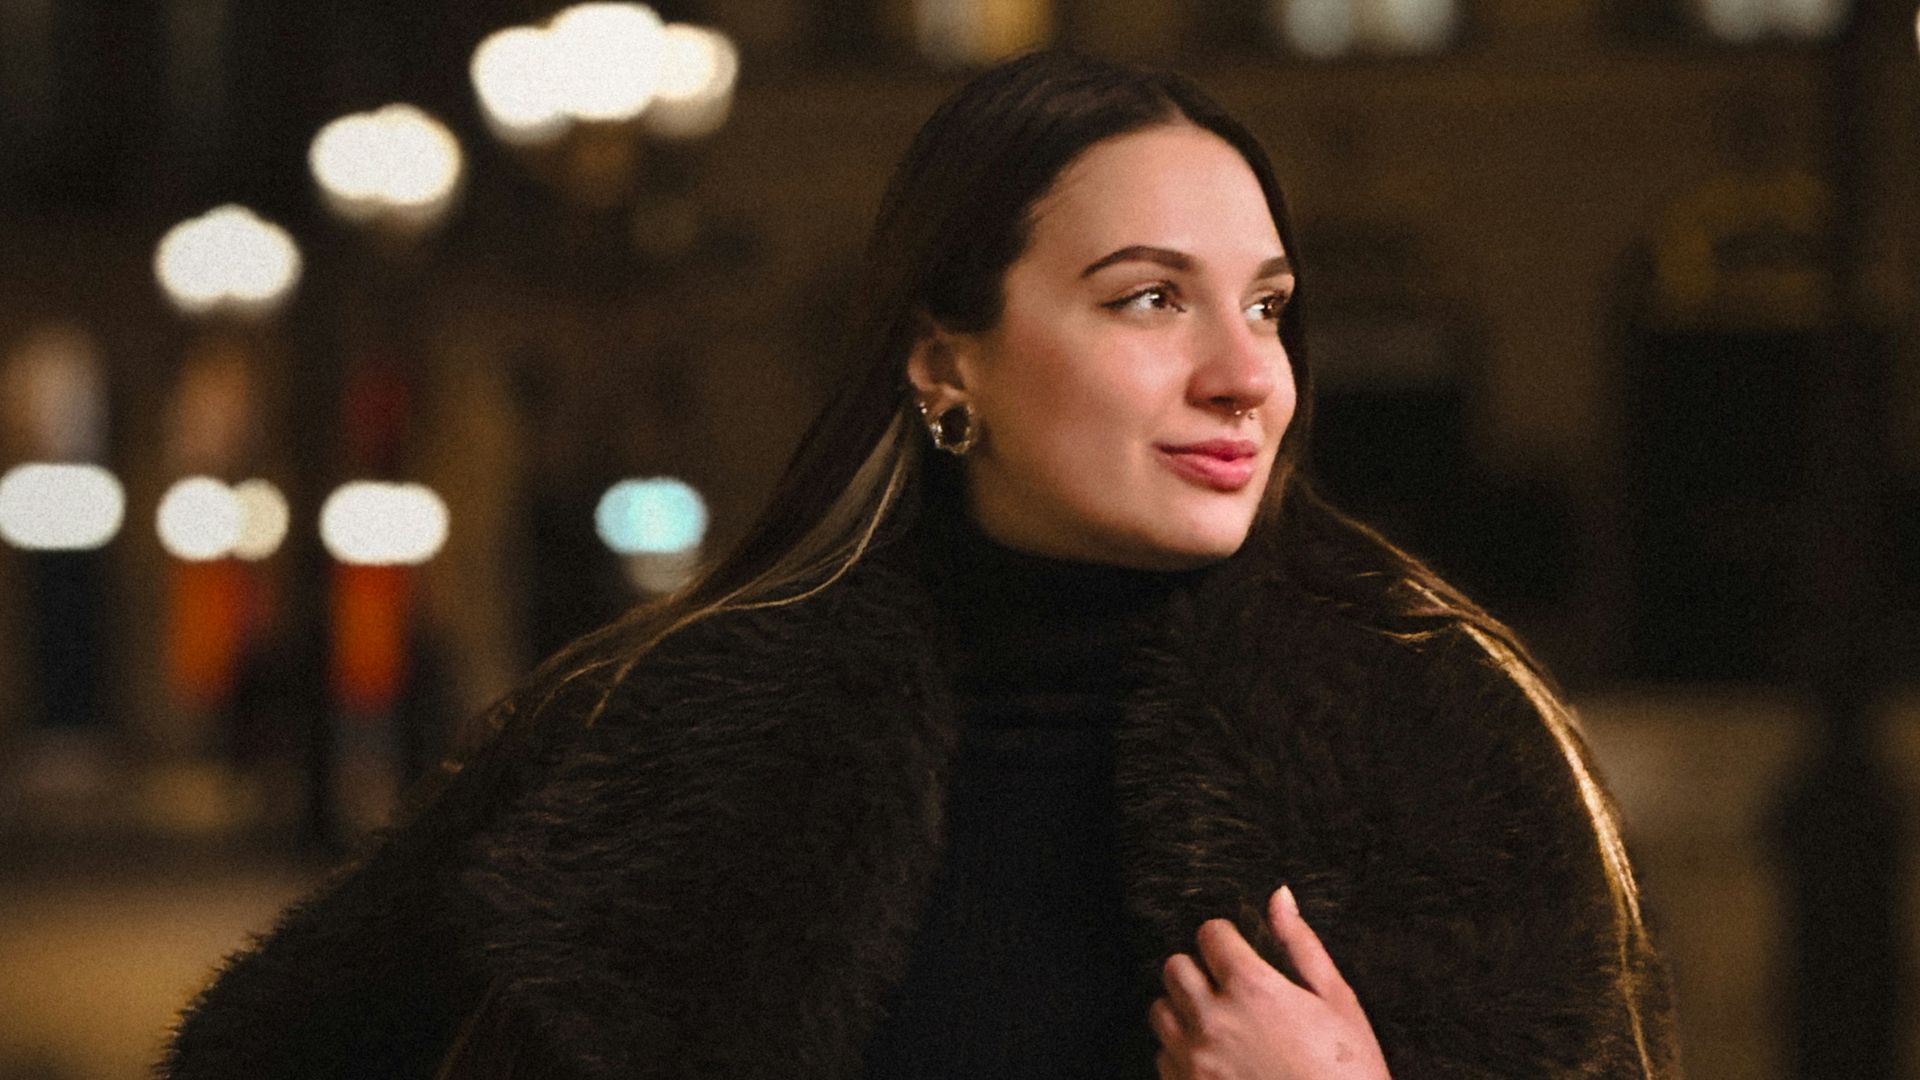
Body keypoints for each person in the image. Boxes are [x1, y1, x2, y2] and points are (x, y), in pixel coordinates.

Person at [158, 49, 1679, 1079]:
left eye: (1268, 306)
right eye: (1151, 300)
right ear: (943, 362)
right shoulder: (652, 737)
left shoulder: (1442, 737)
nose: (1246, 377)